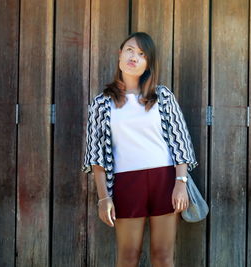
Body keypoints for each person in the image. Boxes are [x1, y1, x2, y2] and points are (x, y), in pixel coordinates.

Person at [82, 32, 198, 267]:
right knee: (127, 257)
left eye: (142, 54)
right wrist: (104, 197)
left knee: (163, 256)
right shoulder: (102, 103)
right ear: (120, 55)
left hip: (165, 180)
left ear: (148, 64)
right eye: (130, 50)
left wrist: (181, 183)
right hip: (126, 183)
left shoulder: (162, 96)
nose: (134, 57)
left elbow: (180, 141)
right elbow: (96, 155)